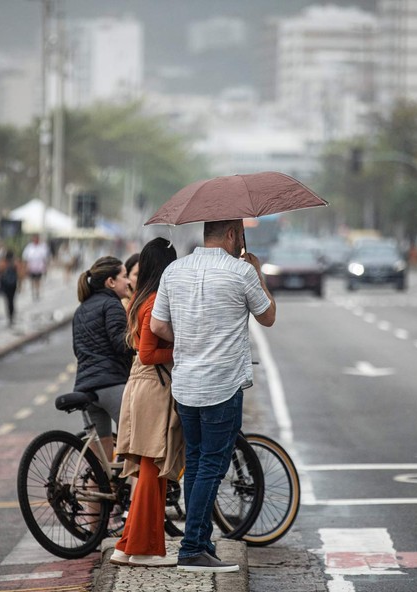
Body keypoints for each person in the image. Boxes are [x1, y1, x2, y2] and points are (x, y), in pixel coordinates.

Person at [150, 219, 276, 573]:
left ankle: (202, 541)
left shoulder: (174, 270)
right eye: (240, 235)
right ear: (234, 235)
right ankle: (192, 549)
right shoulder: (241, 272)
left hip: (187, 385)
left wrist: (191, 342)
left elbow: (158, 326)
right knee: (211, 465)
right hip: (221, 386)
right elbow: (268, 316)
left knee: (198, 462)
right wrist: (258, 272)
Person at [110, 238, 183, 568]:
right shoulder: (153, 302)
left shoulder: (143, 298)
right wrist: (181, 350)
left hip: (143, 387)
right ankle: (145, 549)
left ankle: (127, 544)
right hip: (152, 389)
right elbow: (149, 353)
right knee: (153, 470)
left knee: (149, 472)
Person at [72, 256, 134, 461]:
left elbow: (77, 350)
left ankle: (97, 490)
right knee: (138, 448)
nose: (128, 282)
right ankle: (135, 493)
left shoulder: (81, 310)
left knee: (101, 465)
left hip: (85, 388)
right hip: (111, 384)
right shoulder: (112, 305)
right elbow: (121, 344)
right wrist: (139, 341)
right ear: (111, 281)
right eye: (124, 276)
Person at [0, 250, 23, 326]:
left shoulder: (2, 263)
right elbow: (19, 274)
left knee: (8, 300)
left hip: (5, 284)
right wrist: (20, 285)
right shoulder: (15, 263)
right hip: (13, 284)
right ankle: (12, 315)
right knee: (12, 300)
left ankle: (10, 315)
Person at [22, 234, 50, 300]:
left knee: (38, 280)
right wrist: (26, 267)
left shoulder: (42, 247)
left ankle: (37, 292)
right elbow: (25, 257)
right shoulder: (29, 247)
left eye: (37, 239)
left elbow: (45, 258)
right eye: (34, 239)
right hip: (31, 267)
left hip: (39, 267)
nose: (36, 240)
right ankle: (33, 292)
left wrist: (45, 267)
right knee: (32, 280)